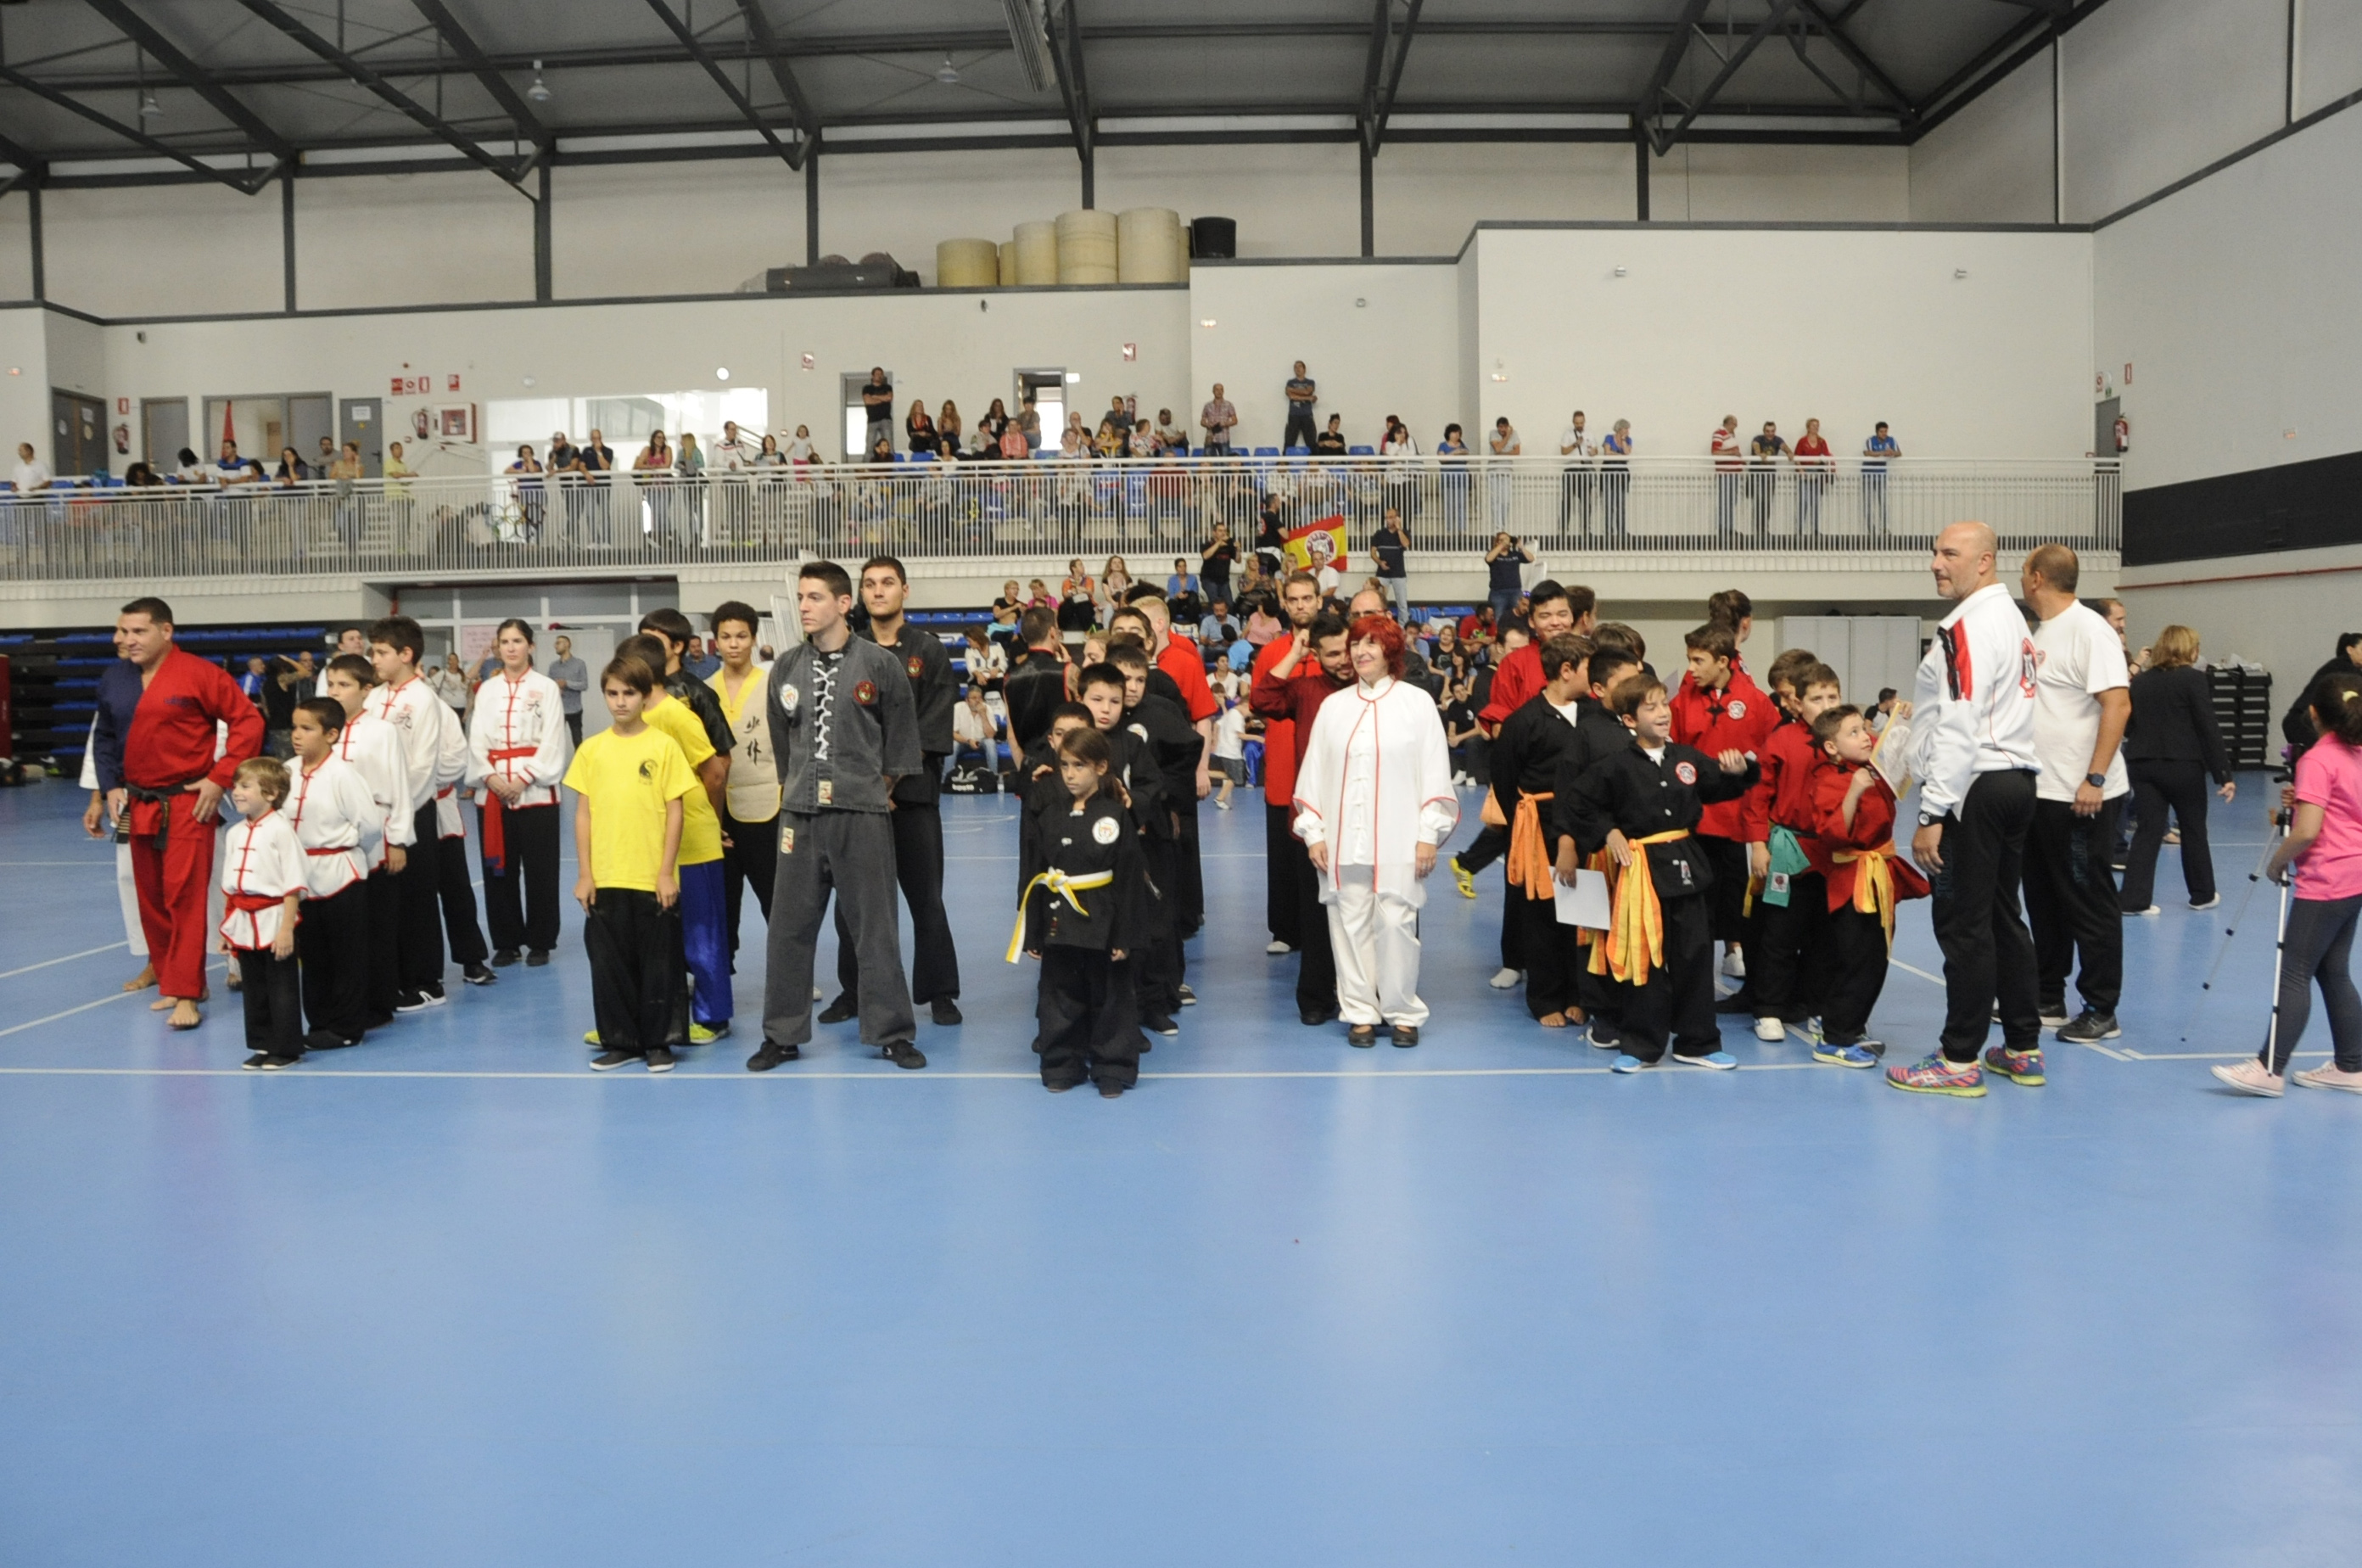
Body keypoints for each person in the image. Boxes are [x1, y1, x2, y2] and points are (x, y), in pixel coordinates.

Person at [753, 561, 926, 1072]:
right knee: (788, 929)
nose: (804, 607)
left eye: (814, 597)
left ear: (843, 603)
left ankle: (891, 1032)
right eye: (801, 598)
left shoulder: (879, 665)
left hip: (861, 815)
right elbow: (783, 742)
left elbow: (901, 743)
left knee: (875, 928)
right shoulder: (785, 668)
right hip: (800, 816)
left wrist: (870, 790)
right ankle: (781, 1034)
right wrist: (799, 790)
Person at [1889, 522, 2042, 1098]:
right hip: (2014, 782)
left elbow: (1960, 722)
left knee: (1963, 925)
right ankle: (2022, 1047)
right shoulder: (2011, 619)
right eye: (1935, 552)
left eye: (1949, 553)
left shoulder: (1968, 627)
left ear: (1984, 562)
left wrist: (1932, 813)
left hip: (1974, 788)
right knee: (2003, 917)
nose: (1936, 562)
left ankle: (1958, 1060)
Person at [87, 597, 265, 1031]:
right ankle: (173, 980)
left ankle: (187, 992)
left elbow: (248, 722)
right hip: (138, 802)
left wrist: (220, 777)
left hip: (187, 801)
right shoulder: (115, 678)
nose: (126, 639)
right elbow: (105, 736)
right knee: (150, 898)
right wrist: (109, 786)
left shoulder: (200, 674)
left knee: (184, 897)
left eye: (138, 631)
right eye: (123, 631)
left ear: (166, 631)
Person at [1566, 674, 1759, 1072]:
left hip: (1689, 868)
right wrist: (1609, 832)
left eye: (1664, 704)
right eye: (1650, 707)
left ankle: (1698, 1042)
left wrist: (1740, 771)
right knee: (1647, 960)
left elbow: (1721, 786)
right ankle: (1641, 1045)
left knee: (1695, 956)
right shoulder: (1615, 767)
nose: (1662, 713)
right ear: (1629, 720)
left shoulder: (1686, 759)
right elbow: (1578, 804)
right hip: (1643, 874)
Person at [1290, 614, 1456, 1044]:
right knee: (1349, 924)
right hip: (1343, 840)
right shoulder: (1334, 707)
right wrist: (1314, 832)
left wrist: (1428, 835)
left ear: (1390, 651)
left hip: (1400, 839)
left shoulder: (1417, 704)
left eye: (1371, 644)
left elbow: (1435, 772)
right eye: (1356, 645)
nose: (1360, 652)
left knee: (1397, 924)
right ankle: (1360, 1011)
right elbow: (1313, 773)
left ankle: (1402, 1011)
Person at [822, 557, 963, 1028]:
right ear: (860, 594)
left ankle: (940, 993)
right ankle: (854, 992)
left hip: (913, 798)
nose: (878, 591)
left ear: (905, 590)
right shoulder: (848, 650)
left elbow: (929, 727)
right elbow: (840, 728)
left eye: (887, 583)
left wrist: (888, 782)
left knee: (927, 900)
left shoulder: (929, 651)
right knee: (852, 904)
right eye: (870, 584)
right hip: (859, 801)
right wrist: (869, 788)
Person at [2213, 672, 2362, 1095]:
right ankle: (2352, 1065)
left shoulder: (2317, 759)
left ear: (2313, 713)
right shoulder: (2355, 754)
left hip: (2327, 879)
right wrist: (2304, 800)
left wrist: (2278, 863)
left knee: (2294, 971)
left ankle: (2269, 1069)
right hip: (2355, 875)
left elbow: (2307, 831)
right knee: (2333, 971)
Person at [2020, 544, 2131, 1047]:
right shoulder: (2041, 632)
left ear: (2037, 577)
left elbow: (2118, 705)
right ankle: (2048, 995)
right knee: (2044, 900)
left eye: (2024, 572)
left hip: (2082, 794)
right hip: (2041, 791)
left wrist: (2095, 778)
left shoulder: (2090, 630)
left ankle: (2101, 1008)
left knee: (2089, 901)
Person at [567, 658, 693, 1072]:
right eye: (612, 693)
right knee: (609, 965)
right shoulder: (591, 750)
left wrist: (665, 872)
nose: (620, 702)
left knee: (660, 964)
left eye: (629, 693)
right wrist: (585, 874)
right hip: (606, 875)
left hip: (650, 876)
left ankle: (659, 1042)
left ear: (644, 696)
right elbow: (583, 814)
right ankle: (621, 1041)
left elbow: (675, 812)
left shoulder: (663, 747)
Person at [1016, 724, 1152, 1096]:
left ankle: (1113, 1067)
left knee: (1111, 996)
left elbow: (1128, 880)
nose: (1071, 774)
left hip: (1103, 918)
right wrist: (1033, 931)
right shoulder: (1049, 814)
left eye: (1080, 765)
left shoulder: (1115, 816)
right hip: (1059, 918)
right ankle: (1061, 1063)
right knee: (1058, 995)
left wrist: (1125, 936)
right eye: (1065, 765)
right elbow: (1035, 872)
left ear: (1101, 768)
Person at [367, 618, 494, 1006]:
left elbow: (441, 763)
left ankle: (441, 973)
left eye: (381, 652)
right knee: (396, 897)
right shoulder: (374, 699)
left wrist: (400, 798)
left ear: (406, 655)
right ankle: (397, 975)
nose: (374, 659)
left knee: (440, 890)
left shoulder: (426, 701)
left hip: (425, 804)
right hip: (382, 811)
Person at [614, 630, 731, 1045]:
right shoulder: (633, 721)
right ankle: (662, 1017)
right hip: (654, 841)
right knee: (660, 935)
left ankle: (714, 1016)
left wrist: (712, 822)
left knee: (702, 932)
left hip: (694, 839)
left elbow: (714, 773)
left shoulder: (678, 716)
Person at [1804, 703, 1930, 1067]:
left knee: (1876, 956)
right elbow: (1831, 834)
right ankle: (1835, 1037)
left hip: (1880, 876)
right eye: (1854, 733)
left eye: (1864, 729)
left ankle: (1853, 1026)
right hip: (1853, 879)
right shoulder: (1829, 779)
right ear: (1831, 747)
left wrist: (1903, 722)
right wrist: (1854, 793)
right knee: (1856, 958)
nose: (1865, 737)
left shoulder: (1874, 769)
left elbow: (1903, 757)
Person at [1255, 609, 1357, 1024]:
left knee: (1361, 916)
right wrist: (1294, 654)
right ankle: (1315, 998)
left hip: (1362, 819)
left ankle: (1361, 995)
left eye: (1347, 650)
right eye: (1331, 654)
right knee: (1316, 916)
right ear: (1316, 654)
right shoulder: (1306, 689)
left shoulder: (1374, 691)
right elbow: (1262, 699)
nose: (1343, 661)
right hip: (1315, 821)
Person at [1488, 634, 1595, 1028]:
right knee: (1542, 914)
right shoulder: (1524, 721)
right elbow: (1504, 780)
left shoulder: (1594, 715)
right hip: (1539, 824)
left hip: (1585, 824)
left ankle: (1579, 993)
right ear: (1567, 670)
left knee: (1583, 911)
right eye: (1589, 668)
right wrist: (1523, 824)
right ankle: (1545, 997)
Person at [1670, 620, 1780, 994]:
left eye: (1698, 661)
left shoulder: (1756, 702)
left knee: (1739, 902)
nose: (1691, 669)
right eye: (1689, 660)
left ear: (1723, 661)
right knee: (1694, 906)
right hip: (1694, 822)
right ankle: (1692, 981)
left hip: (1740, 823)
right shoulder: (1682, 702)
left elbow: (1773, 756)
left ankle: (1742, 964)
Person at [1742, 662, 1845, 1043]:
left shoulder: (1850, 740)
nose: (1826, 705)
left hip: (1834, 855)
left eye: (1832, 697)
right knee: (1780, 935)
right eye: (1817, 699)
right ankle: (1769, 1009)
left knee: (1826, 937)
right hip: (1790, 849)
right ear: (1797, 704)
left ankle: (1818, 1007)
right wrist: (1758, 844)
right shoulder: (1781, 740)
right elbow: (1757, 797)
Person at [466, 619, 571, 969]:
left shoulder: (546, 687)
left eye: (517, 641)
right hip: (493, 793)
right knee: (499, 872)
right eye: (505, 642)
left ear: (530, 646)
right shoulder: (487, 690)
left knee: (541, 871)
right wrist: (491, 777)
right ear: (498, 647)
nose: (511, 648)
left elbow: (553, 740)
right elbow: (476, 739)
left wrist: (523, 779)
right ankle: (507, 942)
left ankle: (541, 941)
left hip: (536, 793)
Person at [283, 697, 382, 1052]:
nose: (297, 735)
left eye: (307, 728)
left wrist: (345, 847)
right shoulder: (287, 771)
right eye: (294, 727)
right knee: (313, 955)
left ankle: (347, 1026)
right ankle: (320, 1021)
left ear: (331, 734)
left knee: (346, 955)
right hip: (302, 877)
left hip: (341, 875)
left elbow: (370, 826)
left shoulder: (343, 775)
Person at [322, 652, 413, 1028]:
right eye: (331, 684)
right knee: (344, 927)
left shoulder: (382, 731)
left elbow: (400, 788)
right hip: (333, 837)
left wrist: (398, 840)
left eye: (344, 685)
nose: (335, 691)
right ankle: (345, 1000)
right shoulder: (323, 731)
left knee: (378, 924)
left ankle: (380, 1001)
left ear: (366, 690)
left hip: (376, 834)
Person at [2120, 624, 2236, 914]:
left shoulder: (2141, 682)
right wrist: (2223, 774)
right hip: (2183, 766)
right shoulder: (2194, 679)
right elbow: (2207, 727)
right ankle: (2202, 895)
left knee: (2148, 831)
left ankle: (2133, 899)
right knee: (2193, 829)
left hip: (2143, 764)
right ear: (2190, 651)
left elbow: (2130, 726)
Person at [1251, 572, 1328, 959]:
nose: (1300, 605)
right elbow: (1260, 701)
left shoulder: (1332, 649)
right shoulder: (1271, 653)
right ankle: (1285, 929)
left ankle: (1322, 930)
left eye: (1307, 598)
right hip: (1283, 768)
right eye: (1294, 599)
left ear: (1319, 600)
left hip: (1324, 771)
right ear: (1285, 603)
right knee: (1282, 855)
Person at [702, 601, 782, 960]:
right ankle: (719, 973)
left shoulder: (774, 685)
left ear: (753, 639)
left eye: (741, 636)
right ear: (716, 641)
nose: (733, 644)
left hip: (766, 806)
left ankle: (791, 977)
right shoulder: (703, 690)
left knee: (776, 899)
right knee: (721, 900)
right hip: (717, 810)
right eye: (726, 637)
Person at [217, 758, 307, 1069]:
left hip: (274, 918)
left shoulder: (281, 831)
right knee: (254, 987)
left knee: (281, 987)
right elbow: (231, 888)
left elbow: (293, 884)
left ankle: (287, 1048)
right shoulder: (234, 833)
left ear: (270, 793)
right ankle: (262, 1043)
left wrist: (286, 929)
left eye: (245, 786)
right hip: (244, 920)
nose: (236, 792)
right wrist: (227, 929)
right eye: (235, 786)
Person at [2281, 631, 2362, 759]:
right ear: (2350, 650)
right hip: (2303, 722)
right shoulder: (2343, 668)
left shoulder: (2344, 668)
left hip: (2306, 722)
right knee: (2324, 759)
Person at [1005, 608, 1072, 759]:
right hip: (1065, 758)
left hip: (1030, 760)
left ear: (1024, 636)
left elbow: (1011, 736)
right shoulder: (1067, 671)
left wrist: (1023, 767)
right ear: (1052, 632)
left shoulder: (1009, 678)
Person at [1481, 533, 1531, 630]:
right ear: (1497, 542)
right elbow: (1488, 559)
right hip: (1498, 593)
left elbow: (1531, 559)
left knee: (1518, 617)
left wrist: (1521, 547)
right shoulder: (1494, 554)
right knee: (1498, 619)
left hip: (1515, 591)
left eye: (1507, 539)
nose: (1505, 541)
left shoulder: (1515, 554)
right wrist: (1501, 545)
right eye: (1502, 539)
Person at [547, 635, 589, 745]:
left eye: (558, 643)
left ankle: (580, 757)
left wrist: (567, 683)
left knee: (577, 740)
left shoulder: (579, 664)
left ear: (567, 644)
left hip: (575, 709)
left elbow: (584, 685)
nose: (555, 646)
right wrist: (555, 688)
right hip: (558, 709)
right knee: (555, 741)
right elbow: (549, 685)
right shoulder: (553, 666)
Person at [1793, 417, 1832, 536]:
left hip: (1817, 473)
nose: (1816, 427)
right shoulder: (1802, 441)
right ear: (1808, 427)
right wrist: (1801, 470)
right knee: (1804, 502)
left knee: (1815, 502)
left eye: (1817, 425)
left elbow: (1826, 456)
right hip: (1805, 472)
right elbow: (1796, 457)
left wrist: (1820, 462)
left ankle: (1815, 529)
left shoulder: (1821, 441)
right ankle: (1800, 529)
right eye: (1813, 425)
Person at [1370, 507, 1410, 624]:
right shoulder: (1379, 534)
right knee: (1379, 601)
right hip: (1382, 574)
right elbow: (1373, 553)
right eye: (1387, 517)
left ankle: (1403, 626)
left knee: (1402, 603)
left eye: (1391, 517)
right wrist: (1380, 562)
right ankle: (1379, 623)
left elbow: (1406, 544)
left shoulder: (1404, 532)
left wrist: (1399, 529)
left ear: (1397, 518)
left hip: (1399, 574)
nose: (1388, 520)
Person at [1747, 420, 1787, 534]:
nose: (1770, 434)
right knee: (1759, 501)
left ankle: (1765, 528)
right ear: (1764, 431)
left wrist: (1789, 452)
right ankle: (1758, 529)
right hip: (1757, 474)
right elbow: (1755, 445)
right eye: (1768, 431)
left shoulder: (1777, 440)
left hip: (1769, 475)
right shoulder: (1758, 439)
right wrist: (1760, 453)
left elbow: (1784, 446)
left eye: (1772, 431)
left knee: (1767, 501)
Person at [1211, 692, 1249, 809]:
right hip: (1231, 751)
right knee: (1234, 777)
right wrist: (1259, 738)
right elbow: (1240, 735)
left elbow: (1217, 724)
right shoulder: (1237, 716)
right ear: (1245, 705)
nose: (1249, 715)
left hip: (1228, 749)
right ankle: (1220, 798)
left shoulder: (1231, 712)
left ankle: (1204, 774)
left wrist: (1215, 741)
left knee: (1230, 776)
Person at [1861, 422, 1899, 534]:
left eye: (1885, 431)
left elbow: (1899, 453)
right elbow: (1867, 453)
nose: (1884, 434)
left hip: (1881, 474)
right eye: (1881, 431)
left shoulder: (1891, 440)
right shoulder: (1870, 440)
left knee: (1883, 502)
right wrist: (1883, 453)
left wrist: (1892, 453)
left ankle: (1885, 528)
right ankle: (1871, 529)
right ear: (1877, 432)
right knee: (1868, 503)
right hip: (1868, 475)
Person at [1710, 415, 1743, 538]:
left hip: (1733, 473)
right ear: (1730, 423)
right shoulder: (1719, 434)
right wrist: (1732, 453)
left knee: (1731, 501)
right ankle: (1723, 528)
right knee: (1725, 501)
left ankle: (1729, 527)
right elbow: (1715, 452)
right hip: (1725, 473)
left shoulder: (1730, 436)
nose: (1736, 426)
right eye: (1735, 424)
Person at [1281, 362, 1318, 451]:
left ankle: (1314, 459)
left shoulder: (1310, 382)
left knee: (1311, 442)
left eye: (1300, 366)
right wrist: (1308, 398)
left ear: (1304, 369)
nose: (1297, 369)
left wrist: (1293, 391)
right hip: (1294, 415)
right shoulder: (1290, 382)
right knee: (1289, 442)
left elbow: (1307, 391)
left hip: (1307, 415)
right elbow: (1291, 397)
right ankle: (1285, 459)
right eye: (1295, 367)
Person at [860, 367, 894, 454]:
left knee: (889, 445)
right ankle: (867, 463)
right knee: (869, 447)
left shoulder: (887, 387)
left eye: (881, 374)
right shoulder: (867, 388)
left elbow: (889, 398)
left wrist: (874, 397)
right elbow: (868, 401)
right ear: (872, 376)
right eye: (877, 374)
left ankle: (891, 462)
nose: (879, 376)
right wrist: (882, 399)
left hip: (886, 419)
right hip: (872, 420)